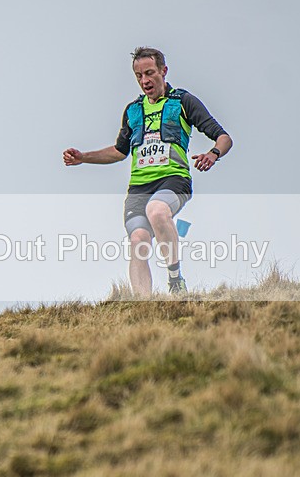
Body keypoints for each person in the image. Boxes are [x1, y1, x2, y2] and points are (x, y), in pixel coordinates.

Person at [63, 47, 232, 296]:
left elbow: (224, 137)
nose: (145, 81)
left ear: (163, 71)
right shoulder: (133, 111)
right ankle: (144, 307)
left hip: (174, 181)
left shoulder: (183, 102)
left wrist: (213, 154)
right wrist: (83, 158)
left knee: (157, 211)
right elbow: (120, 152)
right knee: (138, 241)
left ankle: (175, 280)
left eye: (150, 73)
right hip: (139, 188)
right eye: (139, 76)